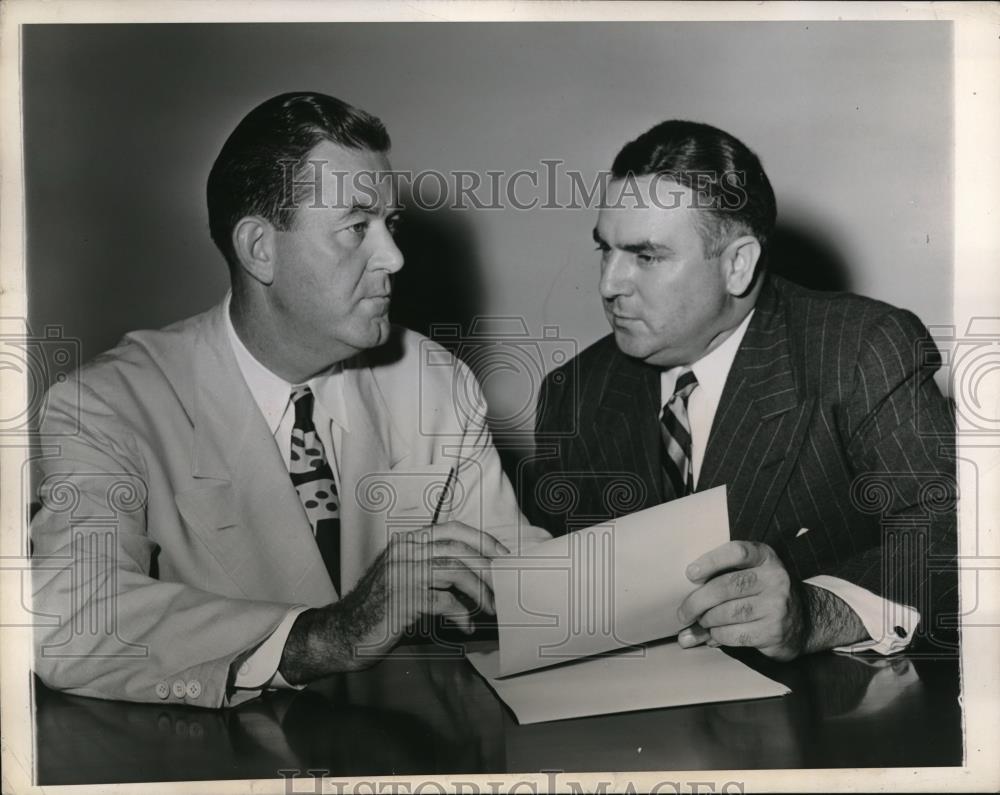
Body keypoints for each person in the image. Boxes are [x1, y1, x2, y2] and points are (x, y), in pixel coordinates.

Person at [31, 91, 546, 707]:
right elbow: (72, 621)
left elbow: (520, 578)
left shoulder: (435, 380)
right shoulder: (105, 406)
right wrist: (326, 637)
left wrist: (673, 586)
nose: (395, 257)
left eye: (391, 224)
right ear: (259, 249)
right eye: (357, 228)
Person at [526, 120, 956, 660]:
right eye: (604, 251)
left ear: (737, 264)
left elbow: (951, 537)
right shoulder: (574, 392)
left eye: (646, 257)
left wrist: (814, 613)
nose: (609, 284)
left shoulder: (860, 350)